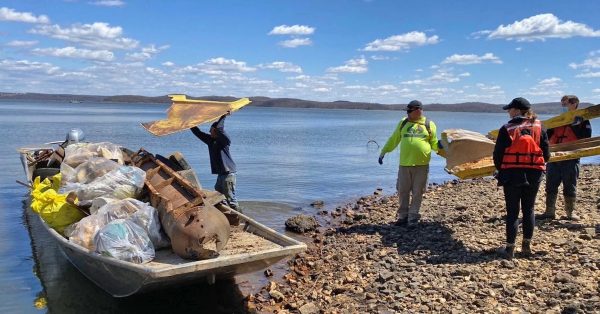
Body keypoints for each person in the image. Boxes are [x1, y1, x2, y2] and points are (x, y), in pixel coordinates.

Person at [493, 97, 550, 260]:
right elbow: (546, 153)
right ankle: (526, 247)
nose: (508, 112)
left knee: (512, 212)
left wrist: (500, 170)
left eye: (510, 109)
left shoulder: (507, 128)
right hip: (534, 173)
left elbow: (497, 155)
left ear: (517, 111)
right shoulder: (540, 126)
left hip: (512, 173)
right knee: (529, 209)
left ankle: (509, 249)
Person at [378, 100, 439, 226]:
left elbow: (434, 143)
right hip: (404, 165)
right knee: (402, 191)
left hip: (422, 165)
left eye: (410, 111)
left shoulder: (429, 124)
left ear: (418, 110)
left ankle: (413, 218)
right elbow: (394, 139)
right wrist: (384, 152)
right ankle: (402, 217)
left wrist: (442, 147)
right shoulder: (403, 122)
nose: (408, 113)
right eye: (407, 111)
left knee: (418, 192)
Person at [538, 95, 592, 221]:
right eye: (562, 105)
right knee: (551, 185)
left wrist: (575, 125)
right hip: (554, 157)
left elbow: (586, 138)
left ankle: (570, 213)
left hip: (571, 157)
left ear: (575, 104)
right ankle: (549, 211)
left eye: (565, 104)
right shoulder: (558, 120)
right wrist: (543, 130)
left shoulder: (583, 120)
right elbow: (546, 137)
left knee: (570, 184)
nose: (563, 107)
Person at [190, 112, 240, 211]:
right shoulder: (210, 140)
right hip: (221, 174)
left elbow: (220, 128)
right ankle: (227, 216)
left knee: (231, 199)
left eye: (211, 130)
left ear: (216, 131)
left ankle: (242, 220)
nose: (209, 131)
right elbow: (198, 133)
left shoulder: (224, 140)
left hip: (228, 173)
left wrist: (223, 116)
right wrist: (190, 124)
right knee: (218, 195)